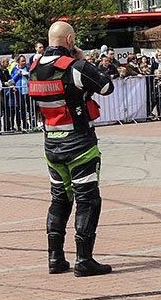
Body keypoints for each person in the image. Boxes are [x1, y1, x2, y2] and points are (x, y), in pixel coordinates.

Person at [28, 21, 114, 277]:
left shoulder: (34, 69)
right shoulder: (75, 66)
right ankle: (84, 260)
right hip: (79, 143)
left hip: (51, 143)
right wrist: (83, 60)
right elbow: (106, 86)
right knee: (88, 199)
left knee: (60, 199)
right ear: (69, 41)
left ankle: (55, 258)